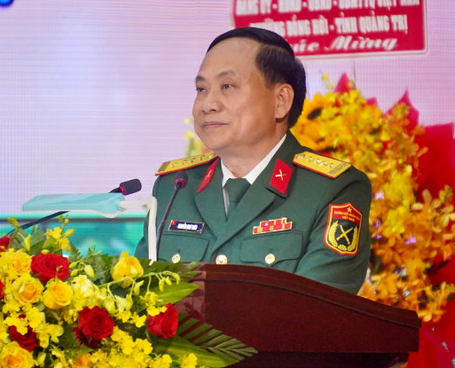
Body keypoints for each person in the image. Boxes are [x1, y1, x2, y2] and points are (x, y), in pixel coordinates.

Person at [134, 27, 371, 294]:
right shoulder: (175, 187)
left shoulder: (332, 190)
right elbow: (139, 297)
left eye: (227, 86)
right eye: (201, 89)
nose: (207, 104)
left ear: (280, 101)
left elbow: (316, 309)